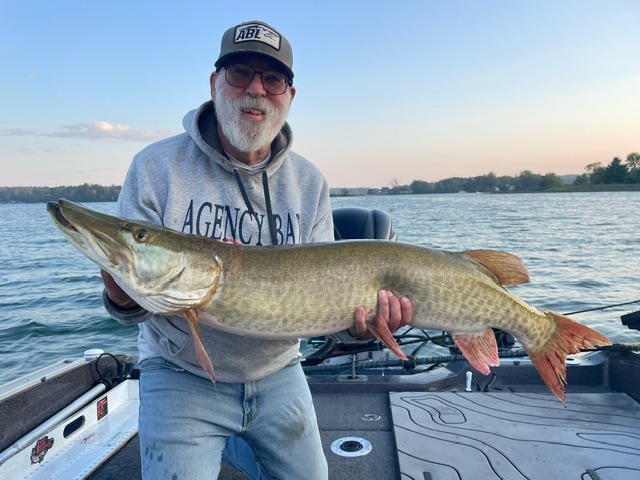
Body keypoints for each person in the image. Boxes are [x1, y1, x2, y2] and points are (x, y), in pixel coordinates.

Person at [101, 20, 412, 480]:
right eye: (240, 73)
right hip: (179, 372)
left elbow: (330, 312)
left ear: (289, 95)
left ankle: (235, 447)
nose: (256, 90)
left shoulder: (309, 183)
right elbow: (132, 306)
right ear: (215, 83)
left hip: (279, 371)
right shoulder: (155, 167)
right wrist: (121, 295)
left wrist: (367, 330)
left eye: (272, 79)